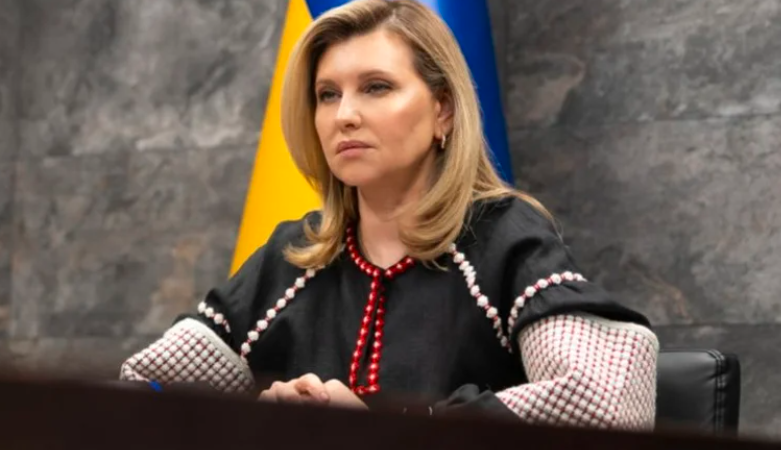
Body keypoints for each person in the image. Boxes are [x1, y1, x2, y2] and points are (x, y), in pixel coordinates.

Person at [119, 0, 659, 430]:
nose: (345, 115)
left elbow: (609, 402)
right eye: (327, 94)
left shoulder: (503, 236)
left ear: (443, 109)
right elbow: (138, 394)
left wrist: (391, 428)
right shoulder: (292, 257)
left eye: (376, 87)